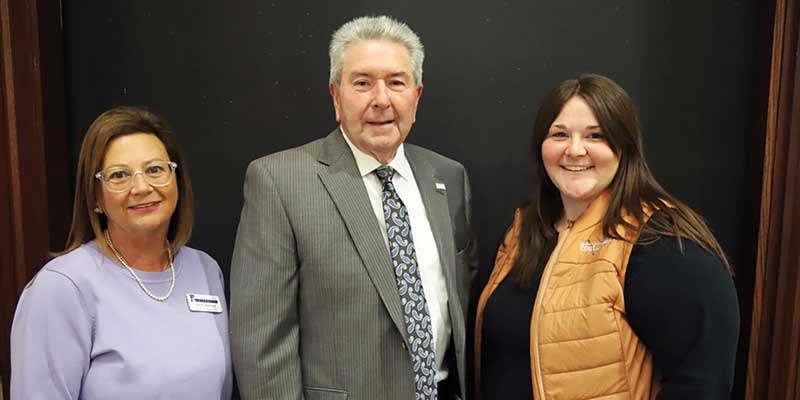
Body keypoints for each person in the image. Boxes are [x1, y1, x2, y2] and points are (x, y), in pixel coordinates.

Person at [230, 15, 478, 400]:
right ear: (335, 96)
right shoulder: (279, 181)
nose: (381, 99)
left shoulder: (447, 177)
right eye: (362, 83)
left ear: (417, 95)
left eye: (396, 82)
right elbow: (261, 344)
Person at [473, 74, 739, 399]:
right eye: (559, 134)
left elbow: (702, 385)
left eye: (595, 136)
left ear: (624, 146)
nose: (574, 149)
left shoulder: (661, 242)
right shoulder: (525, 230)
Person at [10, 107, 233, 399]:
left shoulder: (204, 269)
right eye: (119, 175)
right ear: (96, 199)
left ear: (176, 180)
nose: (141, 187)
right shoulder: (62, 287)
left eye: (155, 169)